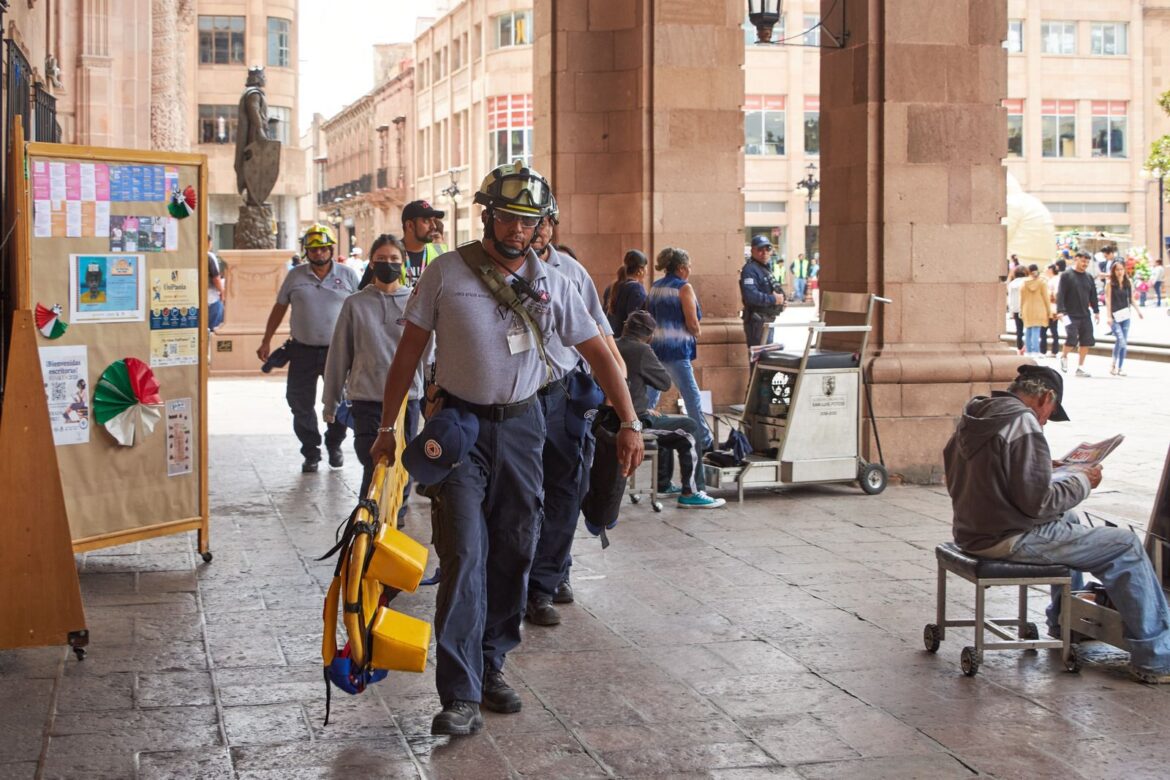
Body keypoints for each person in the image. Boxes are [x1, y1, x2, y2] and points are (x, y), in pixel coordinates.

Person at [368, 162, 643, 737]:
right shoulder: (446, 273)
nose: (518, 230)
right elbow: (408, 357)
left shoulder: (557, 284)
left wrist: (630, 422)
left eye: (529, 219)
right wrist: (388, 426)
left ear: (540, 223)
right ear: (487, 215)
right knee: (466, 551)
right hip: (462, 431)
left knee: (515, 547)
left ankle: (493, 661)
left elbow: (599, 354)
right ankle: (460, 691)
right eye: (508, 217)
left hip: (524, 428)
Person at [944, 364, 1170, 684]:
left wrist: (1046, 467)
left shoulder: (979, 414)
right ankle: (1156, 658)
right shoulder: (1024, 424)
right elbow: (1039, 504)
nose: (1046, 419)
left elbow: (986, 470)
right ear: (1045, 397)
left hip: (972, 530)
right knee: (1125, 545)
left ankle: (1066, 624)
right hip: (1008, 536)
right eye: (1050, 412)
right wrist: (1083, 481)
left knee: (1072, 519)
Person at [526, 194, 626, 628]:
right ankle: (528, 576)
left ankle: (545, 583)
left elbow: (602, 334)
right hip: (517, 399)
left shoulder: (572, 273)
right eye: (533, 220)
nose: (541, 228)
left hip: (566, 394)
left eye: (546, 220)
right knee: (523, 496)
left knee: (567, 488)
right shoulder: (492, 271)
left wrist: (621, 396)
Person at [322, 234, 426, 507]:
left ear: (403, 263)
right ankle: (365, 528)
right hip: (367, 399)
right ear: (371, 263)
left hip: (407, 401)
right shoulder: (355, 304)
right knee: (373, 462)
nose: (387, 264)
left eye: (394, 259)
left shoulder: (416, 303)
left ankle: (393, 523)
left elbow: (429, 354)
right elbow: (339, 355)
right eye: (381, 259)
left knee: (401, 465)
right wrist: (330, 402)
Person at [257, 223, 360, 473]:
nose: (318, 254)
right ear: (306, 252)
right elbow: (280, 307)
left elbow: (361, 310)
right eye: (313, 250)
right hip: (301, 350)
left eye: (323, 248)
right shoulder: (295, 276)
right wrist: (266, 339)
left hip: (338, 352)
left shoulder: (348, 275)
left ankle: (334, 444)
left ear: (331, 249)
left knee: (340, 401)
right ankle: (311, 451)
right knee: (299, 403)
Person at [618, 310, 725, 509]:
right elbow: (664, 383)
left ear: (626, 326)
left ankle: (664, 483)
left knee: (666, 423)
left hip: (620, 415)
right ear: (649, 335)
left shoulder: (614, 345)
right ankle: (692, 491)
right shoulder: (641, 350)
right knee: (689, 428)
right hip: (635, 421)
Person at [645, 247, 713, 452]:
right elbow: (692, 322)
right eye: (689, 266)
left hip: (656, 348)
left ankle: (643, 429)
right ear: (682, 268)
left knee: (650, 395)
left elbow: (649, 318)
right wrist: (697, 331)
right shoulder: (684, 288)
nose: (690, 270)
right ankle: (704, 439)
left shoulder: (655, 287)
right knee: (691, 395)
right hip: (677, 350)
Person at [740, 235, 785, 359]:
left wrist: (781, 302)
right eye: (760, 249)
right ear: (753, 251)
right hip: (757, 321)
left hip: (767, 320)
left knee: (766, 360)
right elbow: (750, 295)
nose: (764, 252)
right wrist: (773, 299)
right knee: (760, 360)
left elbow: (774, 289)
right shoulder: (750, 270)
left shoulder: (765, 268)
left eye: (767, 249)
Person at [1056, 251, 1100, 377]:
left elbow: (1093, 296)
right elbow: (1061, 294)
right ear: (1076, 260)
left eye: (1087, 262)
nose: (1085, 264)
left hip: (1085, 314)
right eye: (1082, 261)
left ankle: (1080, 367)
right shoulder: (1066, 275)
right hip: (1069, 314)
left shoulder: (1089, 277)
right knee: (1071, 337)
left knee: (1086, 340)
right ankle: (1064, 356)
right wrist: (1060, 311)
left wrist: (1096, 311)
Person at [1104, 260, 1142, 376]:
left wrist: (1138, 311)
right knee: (1121, 340)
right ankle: (1113, 364)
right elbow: (1108, 300)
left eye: (1121, 269)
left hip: (1126, 315)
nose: (1119, 272)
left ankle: (1119, 367)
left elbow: (1131, 299)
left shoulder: (1128, 282)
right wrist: (1109, 316)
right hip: (1115, 316)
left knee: (1122, 341)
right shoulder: (1110, 284)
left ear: (1124, 270)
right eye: (1117, 270)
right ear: (1113, 271)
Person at [401, 200, 447, 285]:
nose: (434, 226)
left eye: (433, 220)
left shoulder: (440, 253)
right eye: (426, 221)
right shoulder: (389, 254)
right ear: (410, 226)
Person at [605, 249, 649, 337]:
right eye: (646, 267)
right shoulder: (637, 288)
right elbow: (636, 322)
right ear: (640, 270)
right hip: (627, 343)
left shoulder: (611, 287)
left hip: (611, 341)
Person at [1019, 263, 1051, 357]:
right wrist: (1049, 310)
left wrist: (1021, 310)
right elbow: (1046, 297)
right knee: (1036, 330)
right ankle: (1036, 351)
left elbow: (1022, 298)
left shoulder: (1024, 283)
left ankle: (1029, 351)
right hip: (1039, 308)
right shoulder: (1042, 282)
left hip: (1026, 308)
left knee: (1028, 330)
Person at [1040, 263, 1061, 357]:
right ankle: (1046, 350)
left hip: (1052, 307)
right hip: (1048, 307)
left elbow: (1056, 294)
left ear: (1050, 270)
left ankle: (1053, 350)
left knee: (1051, 330)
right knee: (1048, 330)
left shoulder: (1055, 280)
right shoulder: (1051, 280)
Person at [1007, 265, 1027, 355]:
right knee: (1028, 329)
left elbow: (1010, 298)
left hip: (1015, 309)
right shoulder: (1026, 282)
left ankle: (1019, 347)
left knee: (1019, 330)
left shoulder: (1011, 284)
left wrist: (1011, 311)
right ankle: (1026, 346)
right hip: (1025, 308)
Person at [207, 251, 225, 332]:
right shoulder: (209, 256)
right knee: (214, 330)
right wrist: (222, 292)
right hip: (211, 299)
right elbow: (216, 278)